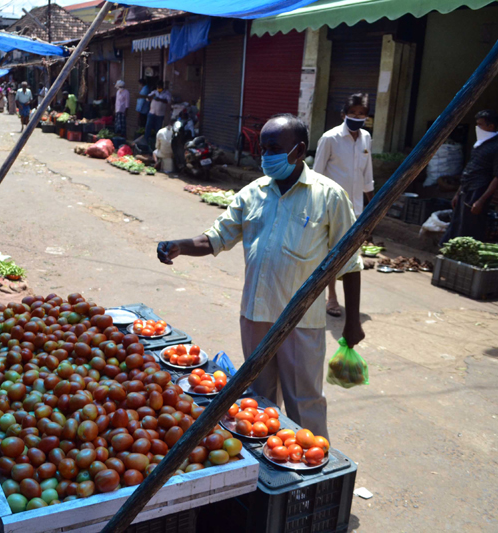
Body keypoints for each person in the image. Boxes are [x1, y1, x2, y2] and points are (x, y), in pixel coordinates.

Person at [156, 114, 365, 439]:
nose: (266, 155)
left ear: (300, 149)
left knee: (305, 403)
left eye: (274, 148)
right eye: (263, 148)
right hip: (256, 316)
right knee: (259, 402)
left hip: (301, 323)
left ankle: (310, 472)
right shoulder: (251, 194)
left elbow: (350, 264)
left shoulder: (329, 196)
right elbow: (215, 238)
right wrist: (179, 246)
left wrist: (353, 321)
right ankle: (271, 462)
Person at [313, 93, 374, 317]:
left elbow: (368, 175)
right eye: (353, 113)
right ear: (344, 114)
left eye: (362, 114)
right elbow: (316, 174)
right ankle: (332, 297)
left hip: (356, 207)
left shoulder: (366, 138)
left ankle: (346, 298)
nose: (357, 117)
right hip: (330, 206)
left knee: (350, 254)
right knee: (331, 252)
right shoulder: (330, 138)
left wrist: (373, 204)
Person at [441, 109, 498, 244]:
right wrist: (458, 193)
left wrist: (481, 200)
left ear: (491, 126)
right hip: (466, 189)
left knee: (471, 228)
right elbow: (470, 169)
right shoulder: (479, 145)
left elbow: (497, 177)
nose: (477, 128)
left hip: (478, 191)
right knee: (457, 223)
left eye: (480, 125)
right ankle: (450, 252)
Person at [145, 81, 171, 150]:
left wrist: (160, 99)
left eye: (160, 87)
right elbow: (147, 99)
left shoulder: (166, 93)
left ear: (162, 87)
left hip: (160, 114)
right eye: (158, 87)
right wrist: (150, 97)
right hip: (152, 113)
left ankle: (157, 144)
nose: (158, 88)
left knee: (158, 129)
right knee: (148, 127)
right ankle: (146, 142)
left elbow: (168, 101)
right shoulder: (154, 92)